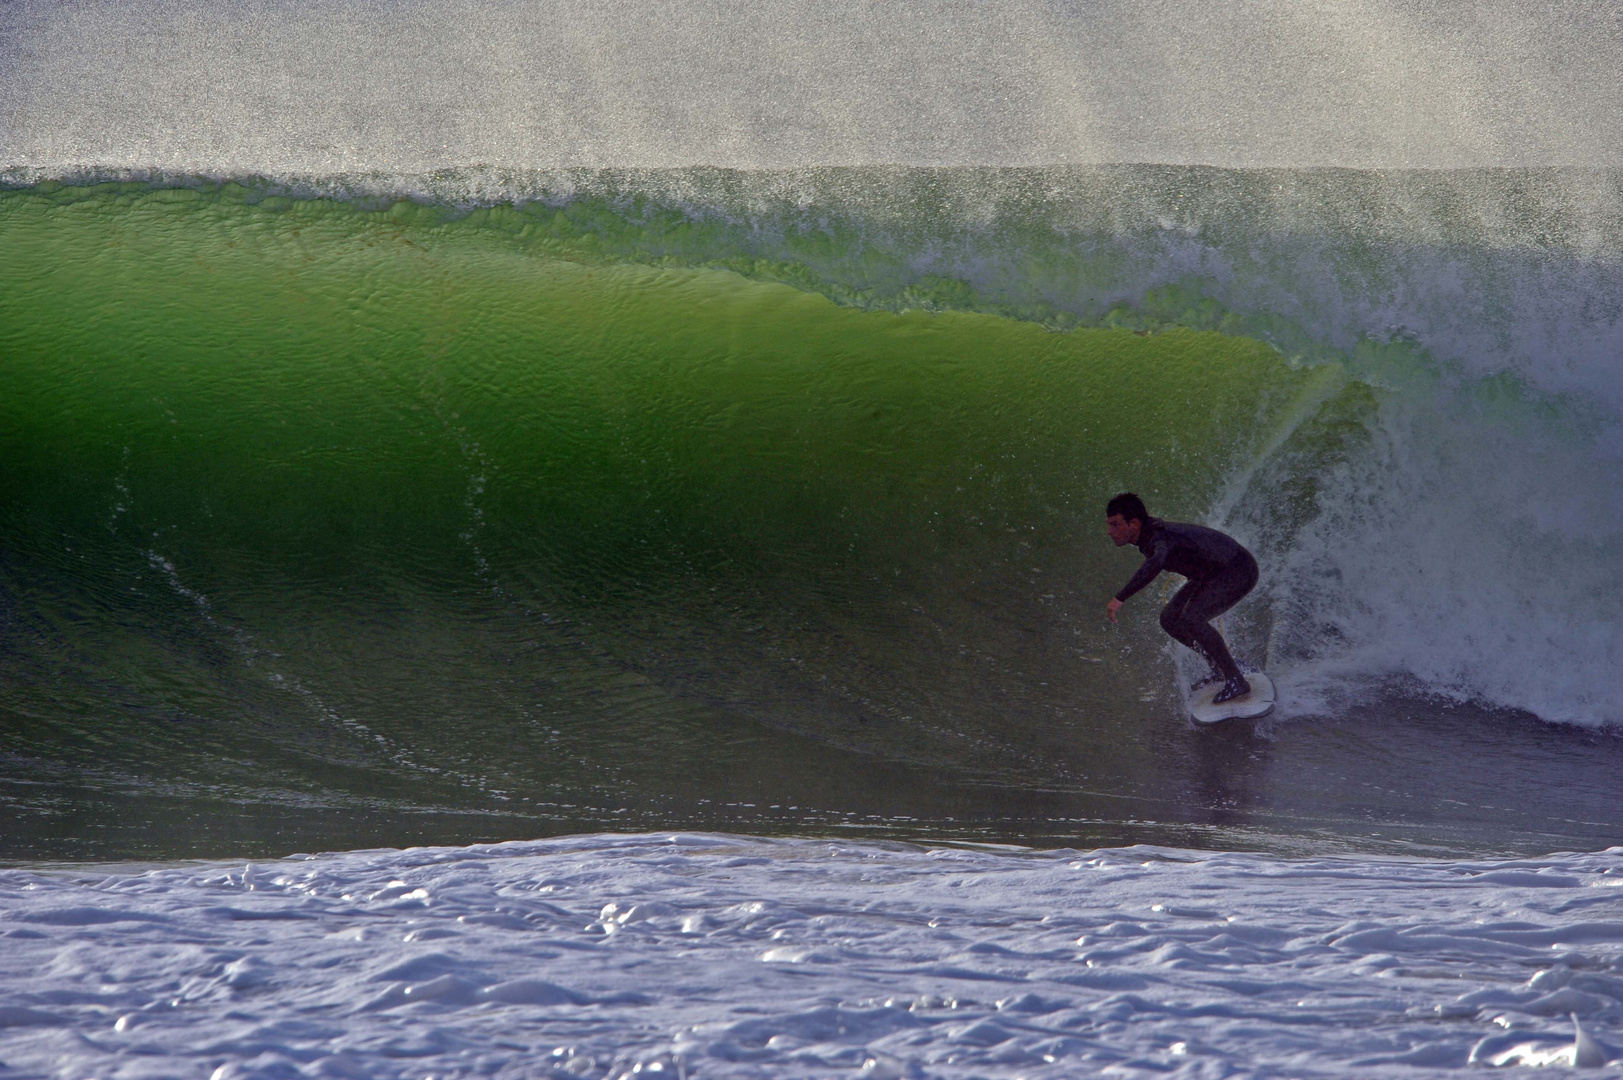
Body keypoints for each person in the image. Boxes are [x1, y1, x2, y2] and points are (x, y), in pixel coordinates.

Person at [1104, 493, 1258, 704]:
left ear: (1134, 523)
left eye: (1115, 525)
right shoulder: (1149, 535)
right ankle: (1221, 668)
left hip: (1237, 570)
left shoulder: (1159, 538)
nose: (1110, 532)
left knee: (1192, 617)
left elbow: (1155, 563)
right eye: (1109, 525)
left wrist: (1120, 598)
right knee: (1169, 619)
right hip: (1211, 574)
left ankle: (1235, 680)